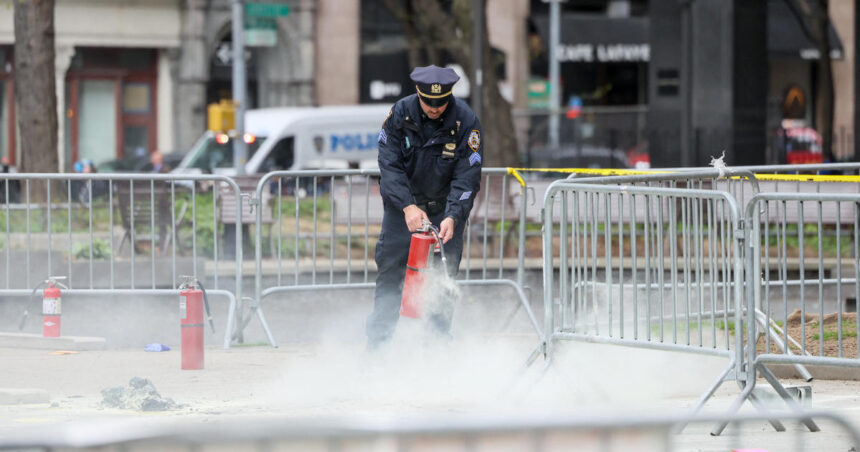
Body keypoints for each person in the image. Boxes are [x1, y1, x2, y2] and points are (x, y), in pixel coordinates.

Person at [366, 65, 484, 349]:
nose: (434, 108)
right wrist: (408, 206)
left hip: (446, 212)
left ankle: (437, 349)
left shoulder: (466, 121)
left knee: (443, 281)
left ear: (449, 96)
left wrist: (454, 216)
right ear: (418, 94)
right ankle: (377, 349)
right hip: (403, 212)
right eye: (428, 102)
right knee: (390, 275)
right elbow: (389, 166)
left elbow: (467, 175)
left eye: (441, 102)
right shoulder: (399, 115)